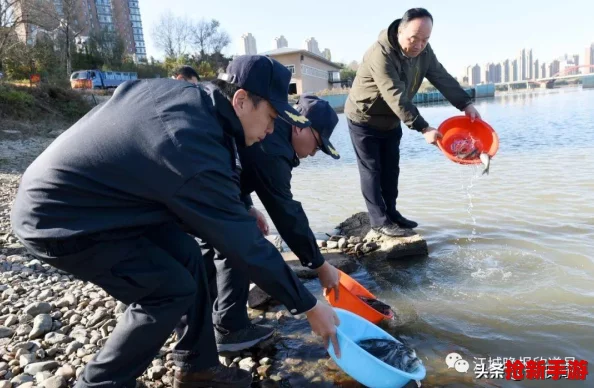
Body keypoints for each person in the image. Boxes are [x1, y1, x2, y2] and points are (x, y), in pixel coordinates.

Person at [10, 55, 340, 388]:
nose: (271, 130)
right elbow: (243, 245)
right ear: (241, 101)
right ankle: (97, 384)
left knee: (188, 257)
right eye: (270, 117)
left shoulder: (197, 106)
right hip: (61, 218)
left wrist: (242, 205)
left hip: (103, 202)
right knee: (167, 289)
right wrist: (308, 305)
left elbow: (209, 178)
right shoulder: (190, 140)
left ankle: (198, 368)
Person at [199, 94, 342, 352]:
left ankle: (207, 322)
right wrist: (319, 265)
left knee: (215, 243)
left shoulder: (275, 137)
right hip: (199, 194)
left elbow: (236, 166)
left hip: (204, 192)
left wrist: (247, 205)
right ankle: (230, 328)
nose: (314, 153)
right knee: (238, 243)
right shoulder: (275, 148)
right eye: (318, 144)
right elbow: (287, 214)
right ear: (300, 126)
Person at [345, 7, 482, 237]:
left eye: (425, 39)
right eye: (414, 38)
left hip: (391, 120)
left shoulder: (424, 52)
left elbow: (442, 77)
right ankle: (379, 221)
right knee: (372, 169)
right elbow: (395, 95)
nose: (419, 45)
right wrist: (423, 127)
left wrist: (465, 104)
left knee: (391, 169)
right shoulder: (381, 53)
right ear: (400, 31)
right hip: (364, 117)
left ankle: (393, 214)